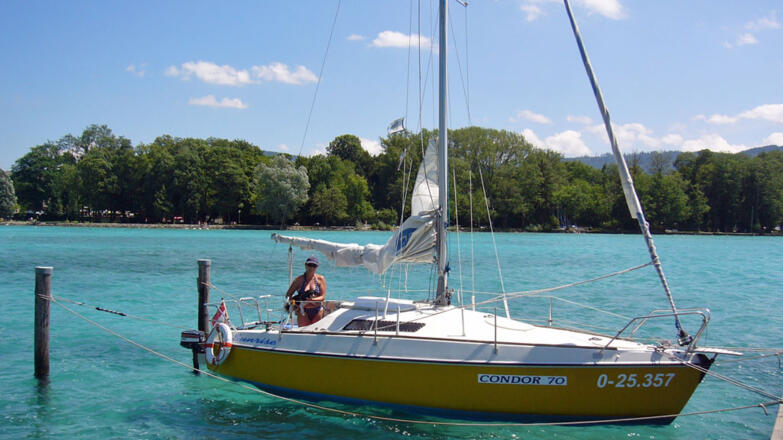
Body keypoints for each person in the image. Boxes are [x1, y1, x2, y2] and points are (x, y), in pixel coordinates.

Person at [285, 255, 327, 326]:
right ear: (305, 265)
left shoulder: (320, 279)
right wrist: (296, 304)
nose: (311, 267)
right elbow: (288, 295)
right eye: (310, 265)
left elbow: (323, 296)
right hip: (303, 310)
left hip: (317, 309)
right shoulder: (299, 280)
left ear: (317, 267)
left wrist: (311, 300)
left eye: (314, 266)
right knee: (303, 332)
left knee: (316, 332)